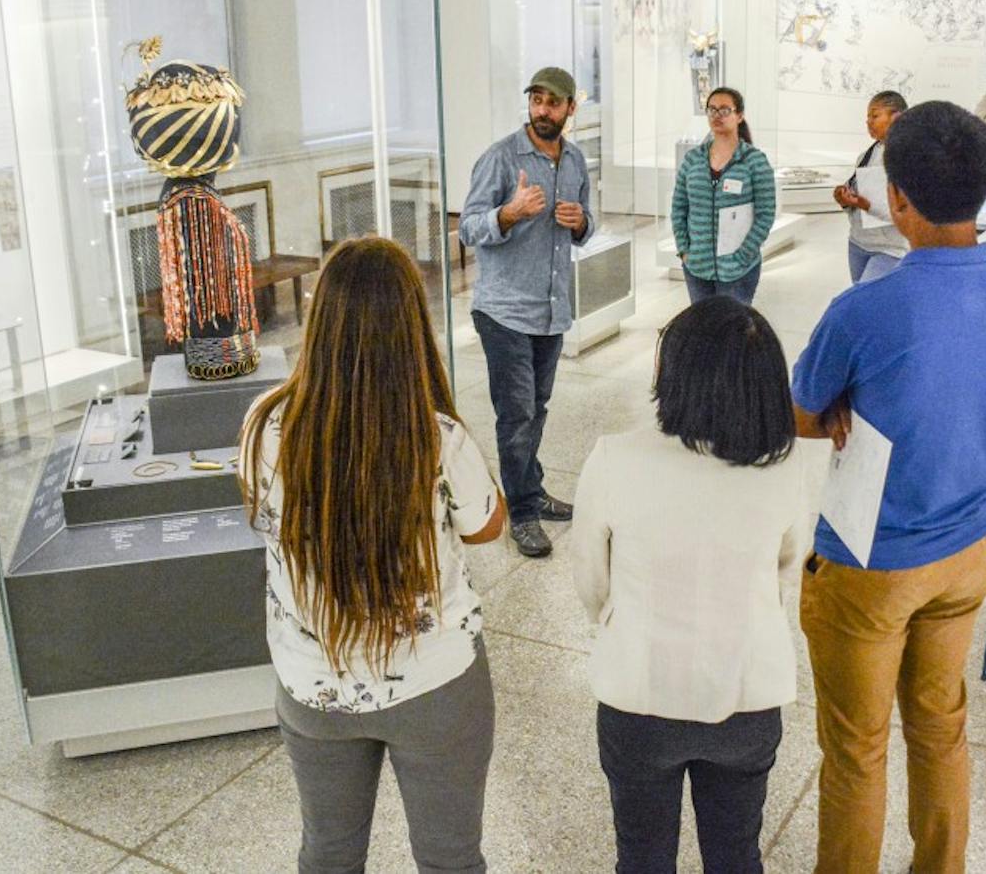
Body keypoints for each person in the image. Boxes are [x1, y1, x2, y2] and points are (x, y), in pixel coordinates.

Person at [793, 101, 986, 874]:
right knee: (941, 727)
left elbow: (803, 412)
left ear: (895, 196)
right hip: (972, 547)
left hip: (873, 558)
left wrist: (841, 404)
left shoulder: (868, 305)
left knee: (857, 749)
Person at [239, 237, 505, 874]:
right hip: (436, 682)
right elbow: (488, 528)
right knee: (451, 861)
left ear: (319, 320)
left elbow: (260, 509)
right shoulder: (436, 436)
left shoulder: (264, 424)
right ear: (412, 326)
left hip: (312, 682)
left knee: (328, 856)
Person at [571, 296, 811, 873]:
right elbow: (788, 568)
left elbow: (591, 582)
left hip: (639, 696)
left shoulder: (616, 457)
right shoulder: (788, 466)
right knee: (735, 855)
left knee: (644, 856)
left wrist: (622, 616)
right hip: (748, 696)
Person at [459, 67, 596, 558]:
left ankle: (531, 488)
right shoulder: (500, 158)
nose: (541, 110)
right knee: (515, 415)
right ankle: (521, 511)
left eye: (552, 103)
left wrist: (581, 223)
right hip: (504, 311)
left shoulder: (576, 161)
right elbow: (467, 229)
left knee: (536, 409)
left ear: (569, 110)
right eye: (536, 100)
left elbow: (586, 223)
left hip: (551, 310)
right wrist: (508, 213)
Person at [671, 86, 777, 305]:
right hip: (697, 267)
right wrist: (685, 251)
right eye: (711, 110)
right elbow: (679, 208)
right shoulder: (693, 160)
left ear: (739, 116)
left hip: (738, 270)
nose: (717, 116)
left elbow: (765, 215)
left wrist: (743, 255)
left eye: (724, 110)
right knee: (703, 331)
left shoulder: (754, 161)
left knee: (733, 333)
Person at [834, 91, 909, 283]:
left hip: (890, 249)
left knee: (871, 304)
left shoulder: (911, 157)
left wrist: (865, 204)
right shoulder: (866, 155)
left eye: (875, 116)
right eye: (868, 117)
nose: (868, 122)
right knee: (863, 303)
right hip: (859, 243)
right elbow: (857, 200)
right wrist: (845, 200)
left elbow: (904, 211)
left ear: (896, 117)